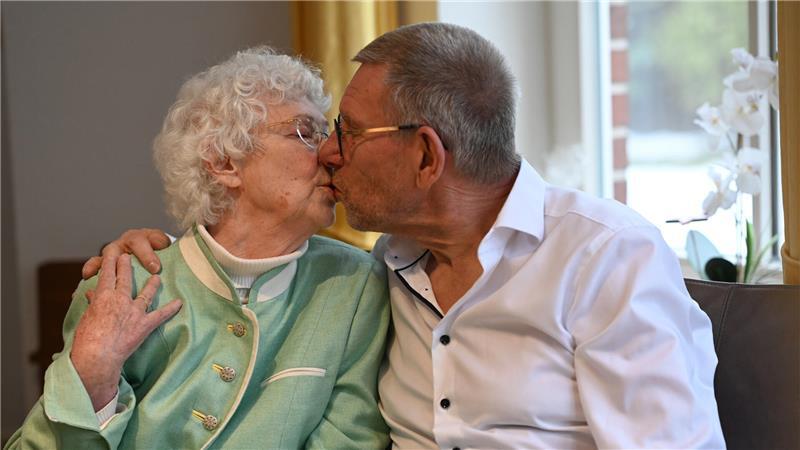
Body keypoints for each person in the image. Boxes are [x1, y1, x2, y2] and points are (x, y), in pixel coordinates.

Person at [83, 23, 725, 449]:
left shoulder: (607, 259)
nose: (331, 153)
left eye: (346, 132)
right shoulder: (384, 267)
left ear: (425, 158)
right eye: (314, 132)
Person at [6, 47, 389, 449]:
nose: (333, 154)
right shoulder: (124, 286)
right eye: (305, 133)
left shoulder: (354, 285)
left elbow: (351, 440)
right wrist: (91, 378)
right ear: (224, 162)